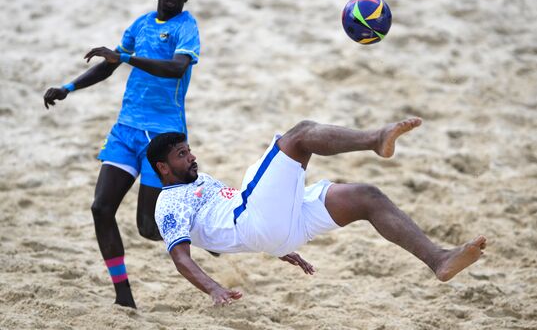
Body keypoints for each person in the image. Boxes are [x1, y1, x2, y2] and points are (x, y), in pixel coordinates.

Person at [146, 117, 487, 306]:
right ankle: (375, 138)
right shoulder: (168, 204)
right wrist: (213, 288)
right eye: (181, 154)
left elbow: (216, 230)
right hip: (254, 221)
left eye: (189, 150)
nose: (191, 157)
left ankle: (438, 259)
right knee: (299, 135)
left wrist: (277, 248)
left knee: (367, 196)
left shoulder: (197, 181)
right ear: (163, 167)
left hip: (275, 230)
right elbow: (181, 257)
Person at [42, 0, 200, 308]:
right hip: (125, 131)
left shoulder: (186, 27)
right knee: (101, 208)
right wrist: (68, 87)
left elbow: (175, 68)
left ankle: (206, 233)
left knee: (147, 226)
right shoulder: (141, 24)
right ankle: (123, 295)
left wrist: (126, 58)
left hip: (163, 138)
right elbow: (109, 65)